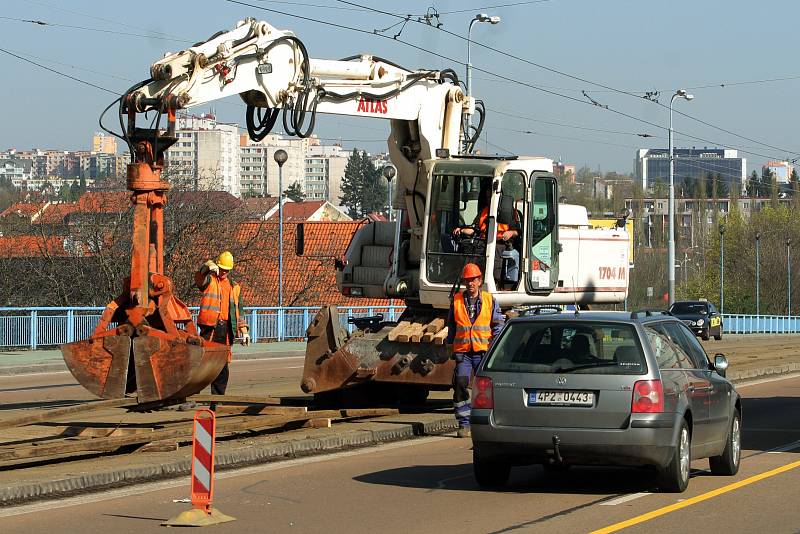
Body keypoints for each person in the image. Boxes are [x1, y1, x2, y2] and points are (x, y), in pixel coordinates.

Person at [446, 262, 505, 438]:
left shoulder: (489, 300)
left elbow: (497, 324)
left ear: (480, 281)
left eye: (474, 279)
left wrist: (495, 348)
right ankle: (464, 424)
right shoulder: (456, 301)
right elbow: (451, 326)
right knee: (460, 383)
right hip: (463, 353)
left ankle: (488, 422)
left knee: (487, 388)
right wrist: (450, 348)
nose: (470, 283)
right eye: (467, 280)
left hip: (483, 352)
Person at [194, 251, 250, 398]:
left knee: (222, 366)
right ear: (218, 266)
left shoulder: (234, 287)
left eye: (226, 269)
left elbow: (239, 310)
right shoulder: (210, 281)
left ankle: (217, 399)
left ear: (230, 270)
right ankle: (192, 395)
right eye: (222, 268)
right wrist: (206, 266)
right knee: (202, 362)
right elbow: (199, 278)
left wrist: (244, 331)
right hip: (210, 327)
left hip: (226, 330)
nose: (224, 272)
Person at [452, 186, 521, 285]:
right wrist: (461, 230)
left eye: (491, 197)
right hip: (483, 241)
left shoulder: (510, 212)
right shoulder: (484, 212)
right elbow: (474, 229)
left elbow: (518, 231)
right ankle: (470, 278)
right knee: (469, 247)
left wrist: (511, 233)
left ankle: (494, 281)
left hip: (500, 242)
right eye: (488, 197)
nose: (490, 200)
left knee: (494, 251)